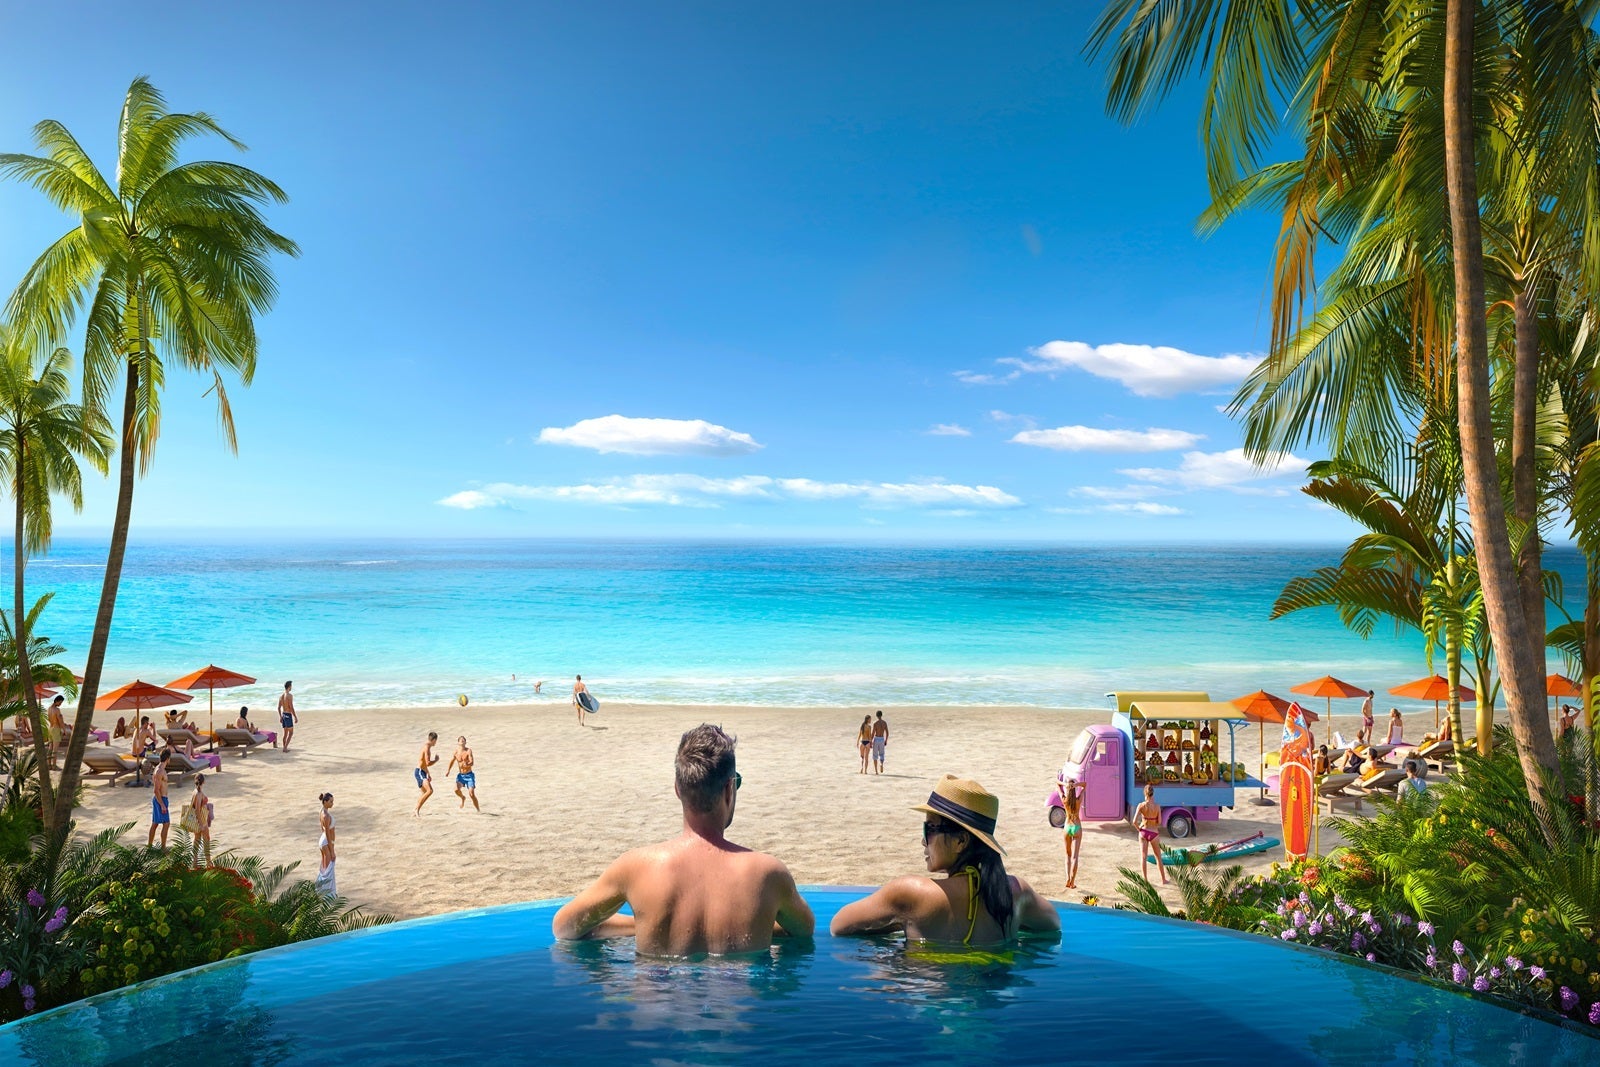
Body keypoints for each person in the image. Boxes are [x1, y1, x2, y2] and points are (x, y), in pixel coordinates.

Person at [552, 723, 814, 955]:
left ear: (678, 789)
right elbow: (803, 932)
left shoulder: (636, 868)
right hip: (736, 1004)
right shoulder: (767, 873)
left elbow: (564, 928)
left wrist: (647, 923)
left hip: (657, 1004)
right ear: (728, 789)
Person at [831, 775, 1059, 945]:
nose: (923, 841)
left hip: (931, 999)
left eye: (929, 828)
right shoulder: (1017, 892)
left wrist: (898, 925)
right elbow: (1052, 928)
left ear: (961, 841)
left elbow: (838, 926)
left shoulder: (911, 893)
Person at [1134, 783, 1167, 885]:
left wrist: (1139, 829)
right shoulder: (1157, 806)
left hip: (1143, 831)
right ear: (1153, 794)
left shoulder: (1141, 805)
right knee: (1158, 857)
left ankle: (1145, 880)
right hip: (1154, 833)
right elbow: (1160, 822)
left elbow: (1134, 821)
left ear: (1145, 793)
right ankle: (1163, 880)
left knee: (1143, 857)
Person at [1059, 776, 1084, 890]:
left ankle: (1067, 878)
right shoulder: (1078, 800)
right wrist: (1077, 785)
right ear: (1074, 790)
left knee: (1067, 855)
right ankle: (1072, 882)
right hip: (1077, 827)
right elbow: (1086, 785)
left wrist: (1065, 785)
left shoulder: (1064, 800)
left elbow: (1056, 784)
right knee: (1075, 857)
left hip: (1067, 826)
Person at [447, 735, 480, 812]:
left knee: (471, 794)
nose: (462, 740)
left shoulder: (468, 750)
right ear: (458, 742)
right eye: (460, 740)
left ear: (465, 742)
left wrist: (467, 764)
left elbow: (472, 762)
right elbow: (452, 761)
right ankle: (462, 797)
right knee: (456, 790)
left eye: (463, 740)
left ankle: (478, 810)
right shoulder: (456, 752)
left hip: (469, 775)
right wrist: (448, 770)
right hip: (461, 775)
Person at [148, 751, 172, 849]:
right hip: (160, 799)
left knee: (155, 823)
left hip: (162, 799)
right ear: (168, 759)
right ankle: (163, 848)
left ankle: (149, 846)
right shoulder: (160, 771)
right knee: (166, 823)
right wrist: (162, 804)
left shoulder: (161, 769)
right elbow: (156, 790)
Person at [189, 773, 213, 867]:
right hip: (201, 819)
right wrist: (201, 824)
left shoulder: (195, 791)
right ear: (204, 782)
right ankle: (208, 862)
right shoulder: (198, 793)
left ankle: (194, 862)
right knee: (206, 839)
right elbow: (198, 809)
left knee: (197, 840)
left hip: (198, 819)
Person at [316, 792, 337, 897]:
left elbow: (322, 829)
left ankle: (321, 890)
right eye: (330, 801)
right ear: (325, 802)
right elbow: (328, 833)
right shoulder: (326, 816)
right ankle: (326, 894)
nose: (332, 803)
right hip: (326, 842)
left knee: (324, 867)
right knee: (328, 868)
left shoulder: (322, 812)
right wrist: (332, 850)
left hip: (322, 840)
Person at [415, 731, 439, 816]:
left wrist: (428, 774)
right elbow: (428, 762)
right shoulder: (427, 748)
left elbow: (424, 763)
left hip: (422, 771)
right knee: (430, 791)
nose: (436, 743)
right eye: (436, 741)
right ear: (434, 740)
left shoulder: (426, 746)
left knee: (424, 793)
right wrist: (436, 760)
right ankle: (416, 810)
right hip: (420, 772)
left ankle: (415, 811)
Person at [278, 681, 298, 752]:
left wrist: (280, 716)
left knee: (285, 733)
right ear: (289, 686)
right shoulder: (289, 695)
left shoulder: (281, 696)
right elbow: (291, 707)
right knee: (291, 733)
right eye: (291, 686)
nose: (291, 687)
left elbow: (278, 708)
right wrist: (295, 717)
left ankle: (284, 747)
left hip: (283, 715)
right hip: (288, 715)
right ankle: (285, 748)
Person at [871, 710, 888, 775]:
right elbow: (887, 732)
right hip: (882, 739)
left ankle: (876, 771)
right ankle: (881, 764)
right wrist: (886, 740)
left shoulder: (875, 723)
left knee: (875, 755)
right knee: (882, 754)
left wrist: (870, 741)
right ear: (881, 715)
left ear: (876, 715)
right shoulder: (884, 723)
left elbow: (873, 733)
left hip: (876, 739)